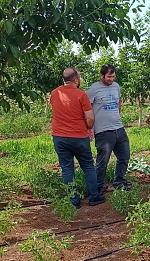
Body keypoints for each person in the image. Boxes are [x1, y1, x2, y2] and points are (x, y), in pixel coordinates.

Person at [50, 67, 106, 209]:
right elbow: (90, 117)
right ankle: (94, 196)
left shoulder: (54, 93)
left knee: (67, 168)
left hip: (59, 137)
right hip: (78, 137)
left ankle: (73, 201)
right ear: (76, 80)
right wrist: (88, 128)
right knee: (87, 166)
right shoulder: (81, 95)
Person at [87, 64, 131, 193]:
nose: (111, 79)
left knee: (124, 156)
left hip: (119, 128)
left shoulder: (116, 86)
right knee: (102, 161)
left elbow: (118, 103)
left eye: (113, 76)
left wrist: (116, 115)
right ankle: (98, 187)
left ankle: (119, 182)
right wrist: (89, 127)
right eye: (109, 77)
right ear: (102, 75)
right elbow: (86, 108)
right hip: (103, 131)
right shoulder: (93, 89)